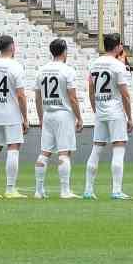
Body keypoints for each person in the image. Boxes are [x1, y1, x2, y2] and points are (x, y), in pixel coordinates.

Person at [84, 32, 133, 200]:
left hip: (101, 111)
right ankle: (116, 190)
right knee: (118, 148)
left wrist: (95, 109)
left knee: (96, 148)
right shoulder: (118, 66)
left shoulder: (94, 64)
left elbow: (90, 89)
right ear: (118, 46)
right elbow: (125, 94)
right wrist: (130, 117)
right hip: (115, 111)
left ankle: (88, 190)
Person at [0, 35, 30, 199]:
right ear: (12, 47)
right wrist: (25, 118)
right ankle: (10, 189)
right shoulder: (15, 66)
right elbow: (21, 95)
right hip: (11, 113)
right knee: (13, 148)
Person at [34, 38, 82, 199]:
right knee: (64, 153)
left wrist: (41, 118)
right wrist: (79, 117)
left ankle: (38, 190)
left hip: (48, 114)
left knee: (45, 152)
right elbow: (73, 98)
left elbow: (37, 96)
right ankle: (65, 190)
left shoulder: (42, 70)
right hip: (63, 114)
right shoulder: (67, 70)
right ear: (65, 51)